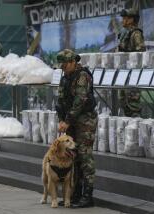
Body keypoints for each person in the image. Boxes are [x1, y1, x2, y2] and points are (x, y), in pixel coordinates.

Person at [56, 49, 98, 208]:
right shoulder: (65, 77)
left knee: (84, 156)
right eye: (62, 64)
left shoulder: (82, 76)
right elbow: (60, 100)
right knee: (73, 157)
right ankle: (75, 194)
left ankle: (88, 196)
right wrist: (61, 119)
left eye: (65, 64)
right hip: (71, 121)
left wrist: (67, 120)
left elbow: (80, 101)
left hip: (85, 121)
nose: (63, 67)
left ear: (74, 61)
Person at [118, 8, 145, 117]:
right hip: (124, 74)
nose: (123, 20)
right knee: (124, 103)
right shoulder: (125, 33)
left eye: (125, 18)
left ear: (131, 19)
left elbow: (141, 54)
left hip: (132, 75)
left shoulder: (136, 34)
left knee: (133, 106)